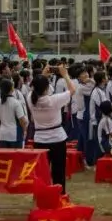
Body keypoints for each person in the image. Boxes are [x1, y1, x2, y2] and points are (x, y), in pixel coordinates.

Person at [28, 65, 76, 193]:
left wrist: (43, 75)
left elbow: (35, 87)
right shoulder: (54, 99)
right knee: (58, 171)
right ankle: (59, 195)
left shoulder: (30, 98)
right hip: (57, 138)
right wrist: (65, 75)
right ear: (46, 88)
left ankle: (42, 195)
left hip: (40, 139)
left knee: (41, 171)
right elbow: (72, 90)